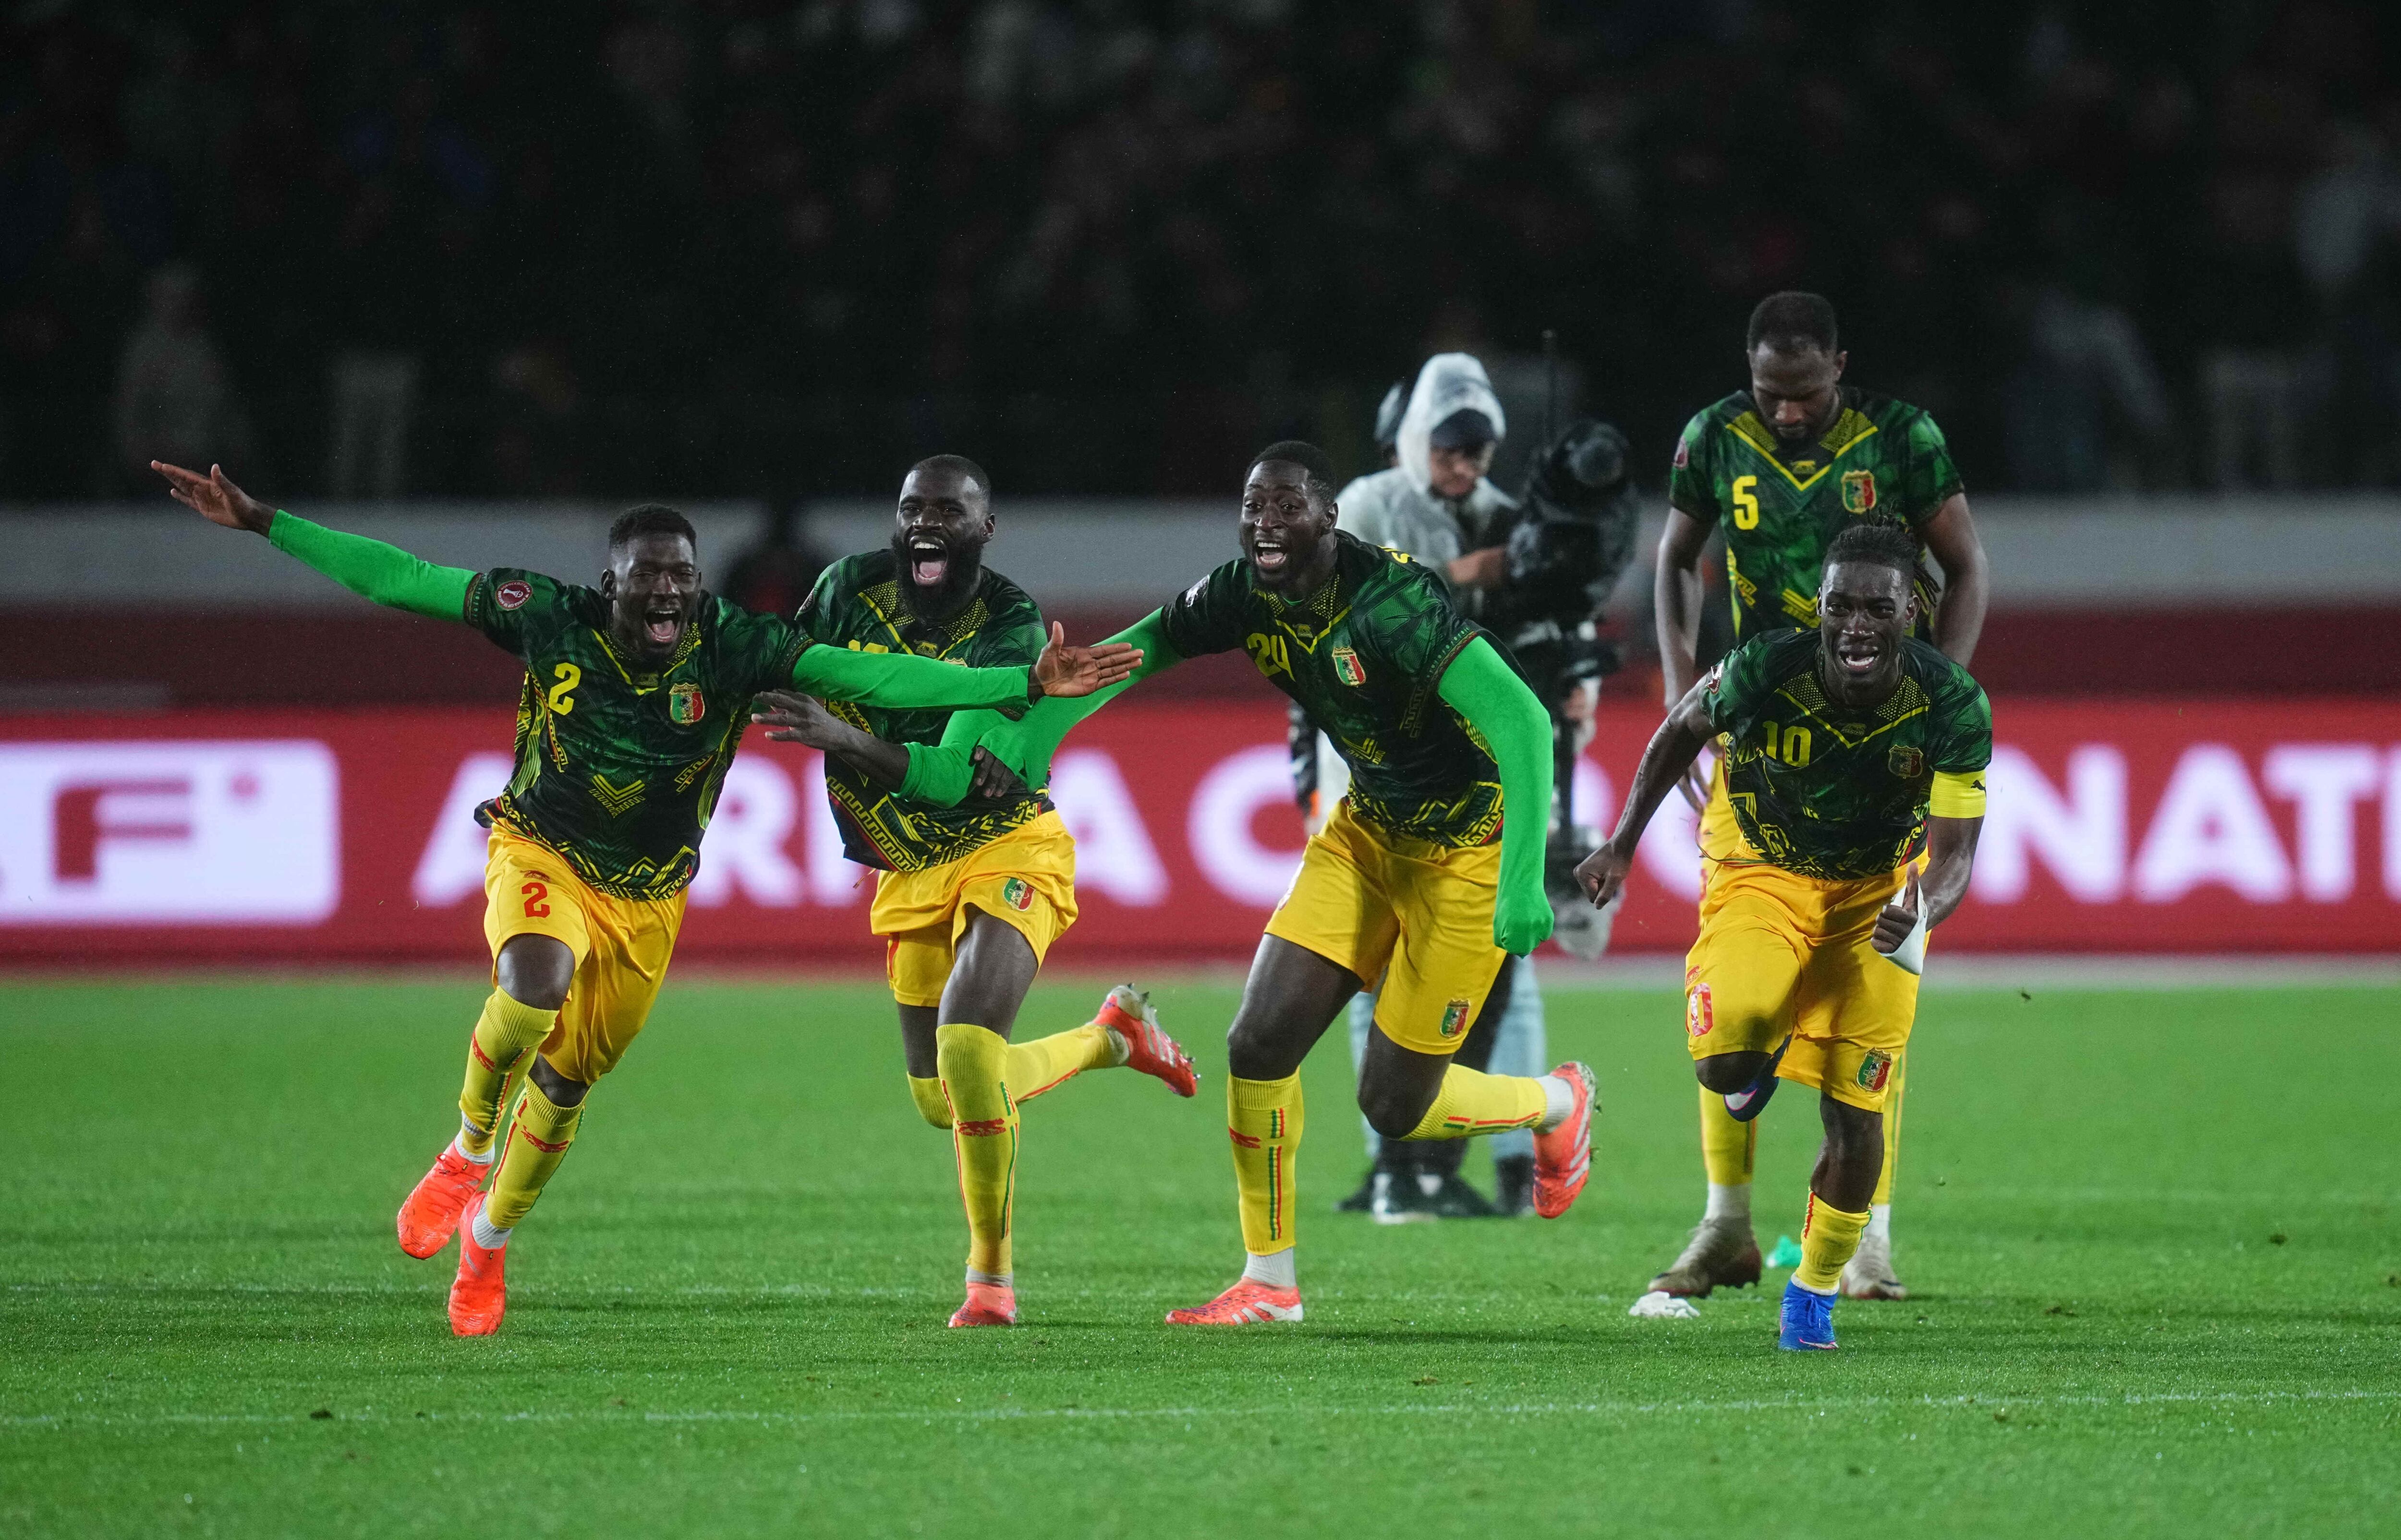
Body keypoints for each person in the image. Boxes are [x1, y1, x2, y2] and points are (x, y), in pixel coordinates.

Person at [149, 458, 1139, 1337]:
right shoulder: (545, 613)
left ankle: (488, 1240)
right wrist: (264, 520)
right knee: (531, 988)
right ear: (610, 582)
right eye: (648, 575)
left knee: (568, 1083)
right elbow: (402, 580)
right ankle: (466, 1149)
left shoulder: (732, 644)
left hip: (651, 898)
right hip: (542, 848)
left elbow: (870, 677)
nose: (668, 590)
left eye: (683, 576)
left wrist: (1020, 682)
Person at [932, 441, 1598, 1325]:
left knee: (1396, 1107)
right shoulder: (1243, 591)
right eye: (1253, 507)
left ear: (1329, 517)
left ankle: (1558, 1103)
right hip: (1367, 836)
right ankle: (1270, 1282)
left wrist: (1521, 883)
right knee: (1257, 1043)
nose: (1265, 524)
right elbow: (1152, 645)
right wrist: (1040, 730)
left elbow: (1522, 720)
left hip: (1468, 856)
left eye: (1287, 507)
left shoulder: (1391, 603)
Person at [746, 455, 1199, 1329]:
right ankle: (1112, 1038)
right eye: (912, 507)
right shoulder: (845, 588)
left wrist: (843, 736)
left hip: (1005, 846)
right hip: (910, 867)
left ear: (984, 530)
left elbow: (953, 779)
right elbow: (781, 670)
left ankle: (990, 1281)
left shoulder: (1012, 627)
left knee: (965, 1049)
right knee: (940, 1100)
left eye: (949, 511)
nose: (927, 522)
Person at [1650, 291, 1990, 1302]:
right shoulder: (1715, 435)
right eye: (1771, 393)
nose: (1788, 412)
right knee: (1736, 968)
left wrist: (1934, 693)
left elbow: (1966, 564)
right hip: (1766, 728)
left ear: (1840, 365)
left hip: (1881, 735)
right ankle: (1726, 1224)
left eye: (1804, 392)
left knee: (1884, 965)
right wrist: (1681, 687)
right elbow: (1675, 558)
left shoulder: (1902, 436)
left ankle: (1869, 1238)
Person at [1578, 521, 1989, 1351]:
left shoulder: (1951, 704)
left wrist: (1921, 911)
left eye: (1878, 609)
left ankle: (1813, 1295)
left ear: (1911, 612)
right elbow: (1682, 727)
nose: (1856, 627)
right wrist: (1622, 842)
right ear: (1820, 605)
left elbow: (1955, 857)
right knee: (1725, 1062)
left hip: (1876, 896)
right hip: (1764, 873)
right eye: (1840, 607)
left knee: (1857, 1114)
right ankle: (1762, 1062)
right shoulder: (1769, 664)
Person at [1319, 354, 1553, 1221]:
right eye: (1450, 450)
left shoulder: (1506, 516)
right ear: (1416, 439)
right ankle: (1397, 1164)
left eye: (1478, 453)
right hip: (1375, 773)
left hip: (1478, 777)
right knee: (1372, 971)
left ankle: (1505, 1166)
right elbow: (1343, 614)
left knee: (1501, 973)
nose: (1464, 467)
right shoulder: (1367, 505)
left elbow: (1541, 631)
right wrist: (1464, 576)